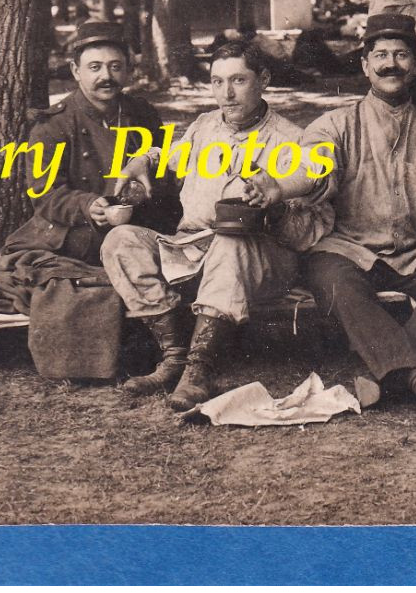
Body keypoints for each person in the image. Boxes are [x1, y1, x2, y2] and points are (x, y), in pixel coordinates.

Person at [246, 12, 416, 418]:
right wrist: (277, 187)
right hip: (345, 249)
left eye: (401, 55)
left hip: (413, 250)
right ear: (365, 65)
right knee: (335, 285)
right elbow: (313, 168)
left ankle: (390, 377)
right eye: (380, 55)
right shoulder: (336, 124)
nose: (391, 64)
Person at [100, 39, 327, 410]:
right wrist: (143, 161)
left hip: (263, 257)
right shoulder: (205, 126)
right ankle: (173, 355)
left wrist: (275, 205)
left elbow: (313, 227)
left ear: (263, 79)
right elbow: (168, 157)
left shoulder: (291, 140)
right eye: (217, 82)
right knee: (121, 239)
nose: (227, 94)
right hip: (192, 248)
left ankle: (198, 369)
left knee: (230, 241)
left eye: (238, 80)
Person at [7, 21, 180, 266]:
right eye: (95, 67)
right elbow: (44, 193)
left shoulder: (143, 114)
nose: (106, 77)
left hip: (137, 227)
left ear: (128, 70)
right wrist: (87, 205)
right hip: (79, 235)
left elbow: (164, 164)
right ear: (76, 71)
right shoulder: (52, 126)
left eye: (115, 67)